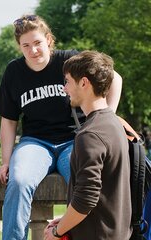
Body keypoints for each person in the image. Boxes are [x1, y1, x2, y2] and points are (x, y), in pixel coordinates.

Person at [0, 15, 123, 239]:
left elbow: (115, 78)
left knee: (86, 184)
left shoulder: (69, 61)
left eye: (37, 43)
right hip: (35, 142)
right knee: (20, 180)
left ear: (49, 40)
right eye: (26, 46)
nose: (33, 50)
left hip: (74, 139)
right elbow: (9, 119)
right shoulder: (14, 71)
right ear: (19, 47)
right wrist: (6, 160)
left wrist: (106, 117)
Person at [43, 50, 131, 240]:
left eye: (67, 81)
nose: (64, 89)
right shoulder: (113, 123)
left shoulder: (90, 135)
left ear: (84, 83)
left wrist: (57, 232)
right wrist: (67, 219)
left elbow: (86, 199)